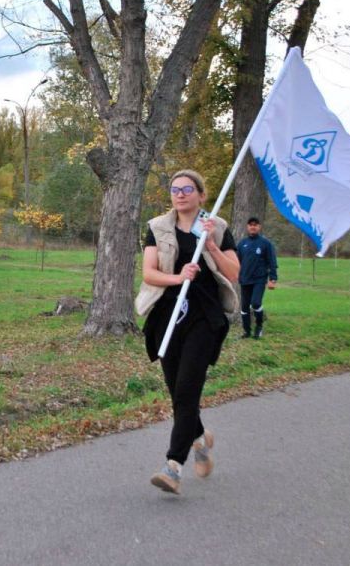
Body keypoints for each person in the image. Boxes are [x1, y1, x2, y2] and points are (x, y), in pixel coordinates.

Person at [135, 169, 239, 495]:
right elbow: (150, 273)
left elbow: (234, 272)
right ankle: (199, 439)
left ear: (201, 195)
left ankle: (173, 466)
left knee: (187, 389)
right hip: (168, 315)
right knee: (177, 391)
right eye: (175, 189)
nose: (180, 194)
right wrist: (179, 278)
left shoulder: (217, 228)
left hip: (204, 317)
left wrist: (211, 246)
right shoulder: (157, 227)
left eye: (188, 189)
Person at [236, 217, 278, 339]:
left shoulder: (265, 243)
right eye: (250, 225)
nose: (253, 227)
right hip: (245, 279)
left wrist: (273, 278)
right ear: (247, 227)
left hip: (259, 279)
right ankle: (246, 332)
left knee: (255, 303)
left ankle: (259, 327)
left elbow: (272, 261)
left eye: (255, 225)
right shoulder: (242, 243)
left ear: (259, 227)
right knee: (244, 307)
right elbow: (236, 262)